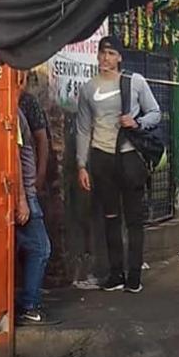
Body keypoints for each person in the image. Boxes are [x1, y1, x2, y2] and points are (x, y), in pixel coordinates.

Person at [76, 36, 161, 294]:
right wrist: (81, 164)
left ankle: (134, 276)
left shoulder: (134, 81)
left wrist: (137, 122)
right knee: (110, 218)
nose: (106, 58)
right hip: (102, 156)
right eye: (103, 53)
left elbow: (155, 112)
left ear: (120, 57)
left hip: (129, 155)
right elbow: (83, 128)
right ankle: (116, 275)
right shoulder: (89, 88)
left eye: (112, 53)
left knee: (134, 219)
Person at [16, 104, 54, 326]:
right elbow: (13, 155)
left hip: (24, 192)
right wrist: (22, 198)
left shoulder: (18, 109)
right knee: (40, 248)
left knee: (34, 248)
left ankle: (26, 302)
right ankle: (28, 305)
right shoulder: (12, 111)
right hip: (24, 194)